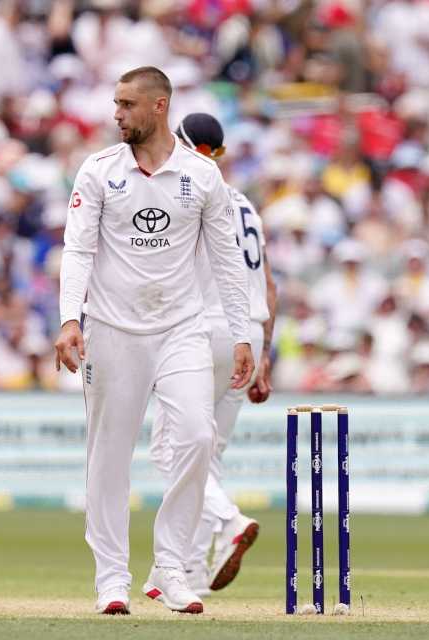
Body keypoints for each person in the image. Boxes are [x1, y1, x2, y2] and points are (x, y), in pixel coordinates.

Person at [54, 67, 253, 615]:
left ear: (159, 106)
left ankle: (171, 567)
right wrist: (70, 319)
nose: (116, 113)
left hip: (182, 328)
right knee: (109, 458)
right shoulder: (98, 170)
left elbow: (226, 259)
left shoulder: (202, 176)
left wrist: (241, 333)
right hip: (114, 332)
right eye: (115, 103)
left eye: (126, 104)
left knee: (194, 436)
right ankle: (111, 579)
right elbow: (77, 250)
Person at [150, 113, 277, 598]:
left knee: (171, 449)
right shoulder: (245, 203)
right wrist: (263, 355)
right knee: (210, 454)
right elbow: (268, 285)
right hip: (251, 332)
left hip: (202, 330)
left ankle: (228, 521)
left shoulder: (185, 192)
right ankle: (192, 572)